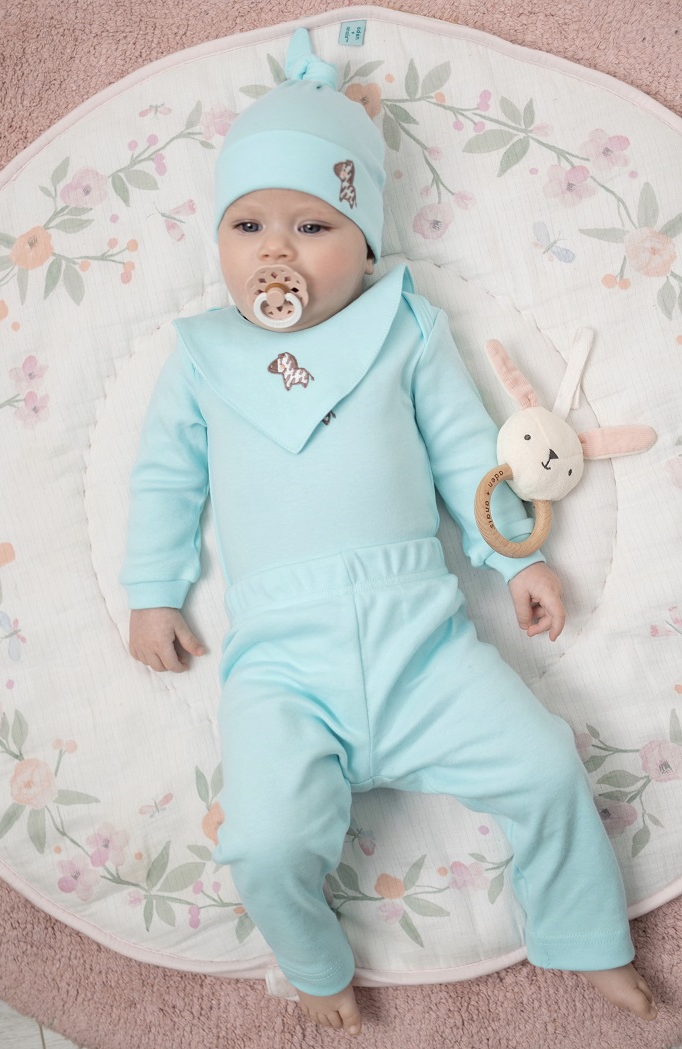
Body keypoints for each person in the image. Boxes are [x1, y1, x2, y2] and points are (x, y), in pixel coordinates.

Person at [120, 26, 657, 1036]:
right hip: (282, 665)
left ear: (365, 240)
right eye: (248, 224)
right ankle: (311, 961)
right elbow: (164, 477)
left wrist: (516, 556)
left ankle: (585, 934)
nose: (276, 250)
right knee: (265, 841)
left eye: (312, 225)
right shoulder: (202, 355)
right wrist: (152, 591)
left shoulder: (403, 323)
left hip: (426, 645)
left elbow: (463, 449)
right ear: (219, 241)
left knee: (546, 765)